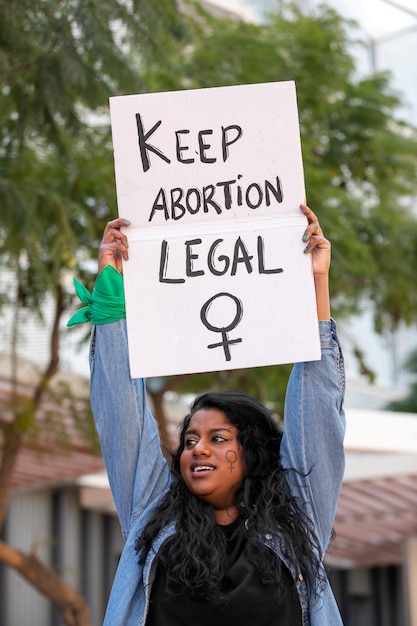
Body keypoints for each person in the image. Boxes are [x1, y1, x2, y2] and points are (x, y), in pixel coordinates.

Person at [68, 204, 346, 625]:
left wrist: (317, 282)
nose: (198, 450)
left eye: (218, 438)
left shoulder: (297, 520)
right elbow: (122, 416)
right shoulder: (153, 516)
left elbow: (318, 414)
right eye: (190, 440)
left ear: (250, 452)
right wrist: (111, 293)